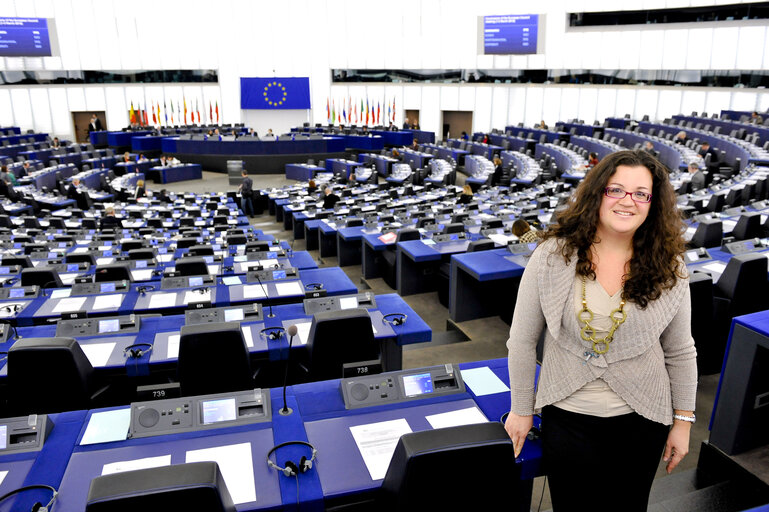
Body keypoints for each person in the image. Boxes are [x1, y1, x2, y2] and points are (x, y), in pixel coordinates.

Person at [504, 150, 696, 512]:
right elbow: (523, 341)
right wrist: (521, 408)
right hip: (568, 417)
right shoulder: (551, 256)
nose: (628, 201)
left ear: (653, 205)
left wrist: (683, 421)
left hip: (643, 420)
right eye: (616, 190)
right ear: (597, 193)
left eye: (641, 193)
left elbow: (680, 350)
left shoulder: (670, 266)